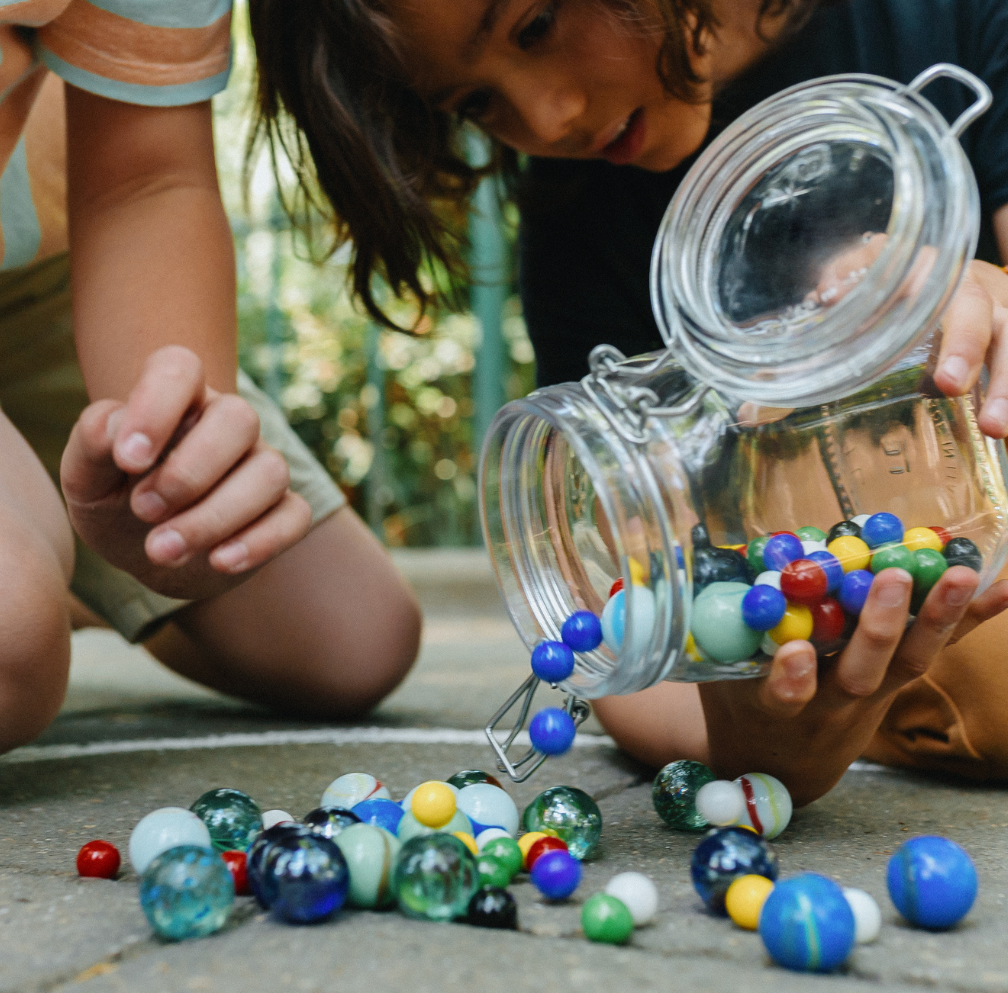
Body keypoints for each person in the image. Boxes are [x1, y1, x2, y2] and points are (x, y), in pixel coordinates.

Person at [251, 0, 1008, 803]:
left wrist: (986, 291)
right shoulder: (577, 212)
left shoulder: (954, 19)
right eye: (475, 103)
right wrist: (759, 742)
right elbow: (632, 650)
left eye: (536, 25)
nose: (548, 118)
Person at [0, 2, 422, 777]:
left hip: (12, 247)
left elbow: (146, 176)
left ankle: (52, 570)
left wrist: (174, 474)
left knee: (352, 638)